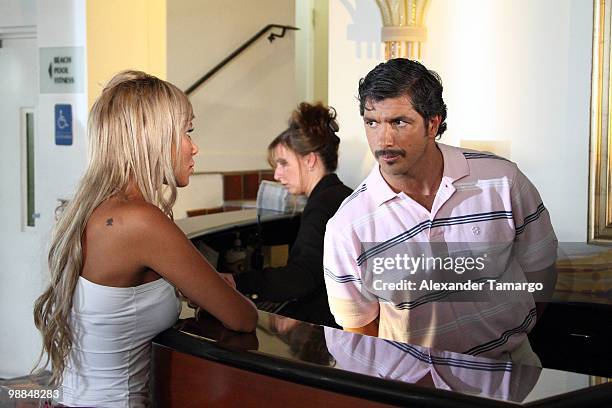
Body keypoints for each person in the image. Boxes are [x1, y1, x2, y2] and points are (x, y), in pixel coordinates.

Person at [32, 71, 258, 407]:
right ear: (152, 138)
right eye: (187, 131)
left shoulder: (94, 210)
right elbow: (242, 318)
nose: (194, 146)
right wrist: (219, 291)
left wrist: (187, 286)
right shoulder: (140, 222)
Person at [323, 59, 557, 365]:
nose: (383, 140)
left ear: (433, 123)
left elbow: (541, 270)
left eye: (399, 122)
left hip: (509, 367)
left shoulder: (502, 180)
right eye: (372, 122)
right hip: (411, 384)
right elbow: (359, 328)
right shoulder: (349, 224)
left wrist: (507, 334)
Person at [233, 102, 352, 328]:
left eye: (283, 163)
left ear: (310, 160)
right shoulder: (339, 195)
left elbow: (302, 277)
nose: (277, 174)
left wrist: (237, 282)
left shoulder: (322, 205)